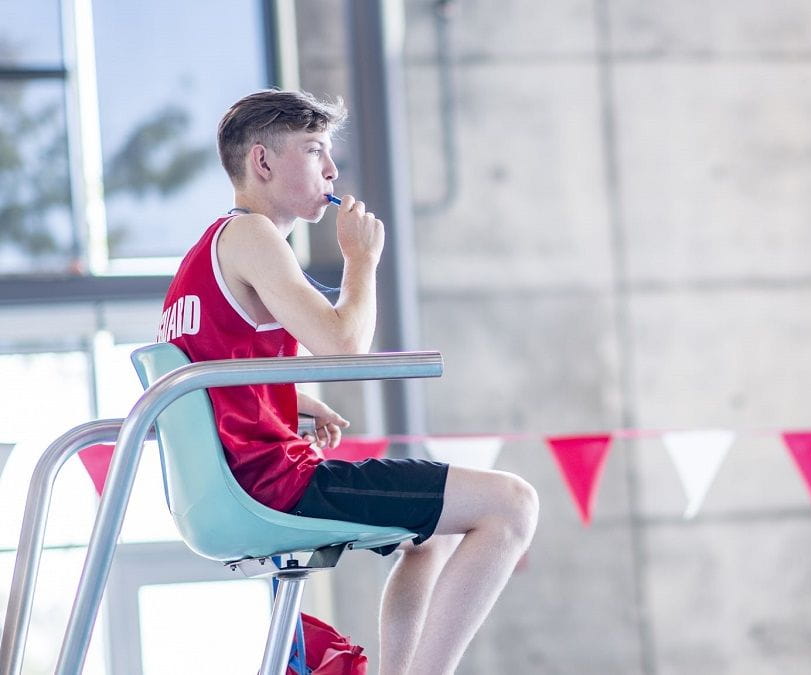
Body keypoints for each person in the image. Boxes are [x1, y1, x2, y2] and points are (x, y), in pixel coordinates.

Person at [156, 89, 538, 674]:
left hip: (228, 488)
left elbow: (210, 379)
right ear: (262, 161)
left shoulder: (205, 255)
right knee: (512, 504)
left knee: (433, 534)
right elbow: (344, 348)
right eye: (315, 150)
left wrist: (290, 402)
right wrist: (361, 261)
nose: (332, 170)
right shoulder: (253, 237)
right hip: (271, 484)